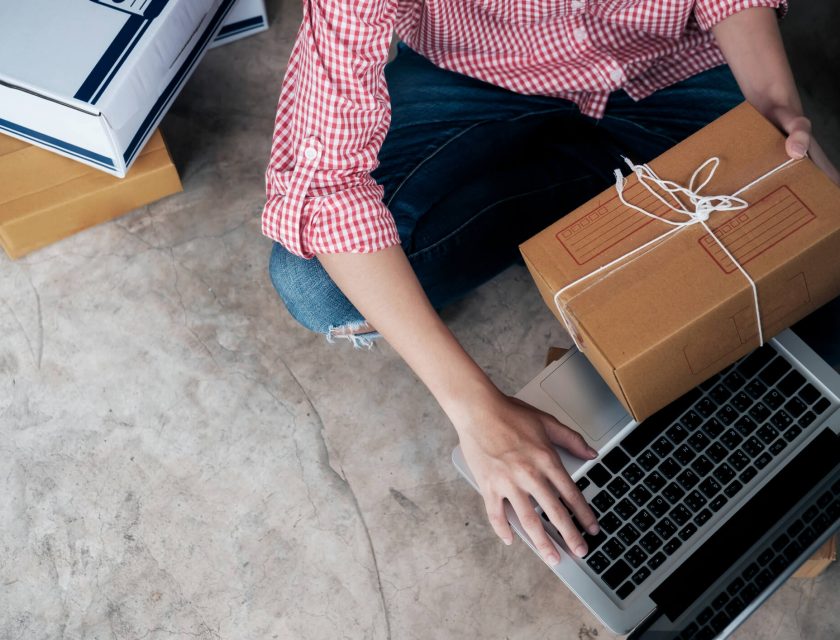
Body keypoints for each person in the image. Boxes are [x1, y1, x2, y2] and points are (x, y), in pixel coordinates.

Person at [263, 1, 840, 569]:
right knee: (316, 283)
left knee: (814, 265)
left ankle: (582, 230)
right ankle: (600, 226)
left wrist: (775, 113)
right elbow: (326, 184)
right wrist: (476, 412)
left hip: (673, 68)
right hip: (475, 71)